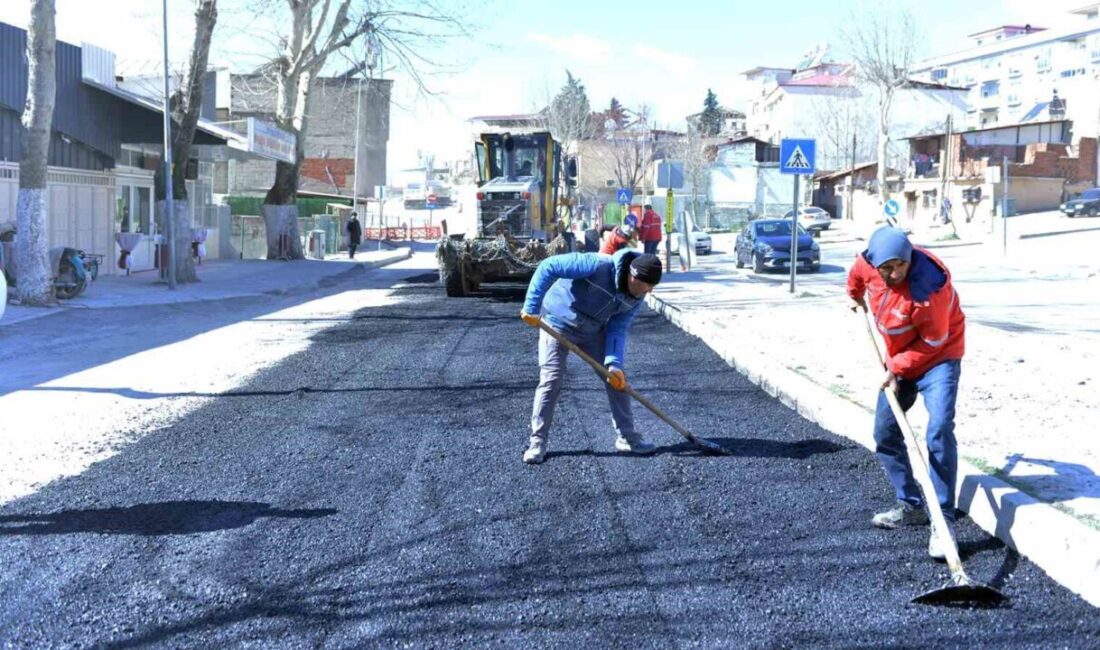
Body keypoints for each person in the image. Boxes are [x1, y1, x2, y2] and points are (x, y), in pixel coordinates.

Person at [847, 226, 966, 561]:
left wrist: (896, 367)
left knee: (939, 429)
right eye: (888, 267)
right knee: (884, 434)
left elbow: (934, 341)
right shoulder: (868, 264)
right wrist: (854, 295)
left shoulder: (930, 288)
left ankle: (943, 520)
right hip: (898, 364)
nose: (896, 272)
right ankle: (911, 505)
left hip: (938, 359)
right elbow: (857, 275)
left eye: (901, 264)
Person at [519, 250, 664, 464]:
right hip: (555, 323)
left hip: (592, 331)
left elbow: (618, 328)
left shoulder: (636, 296)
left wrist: (614, 364)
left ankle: (626, 436)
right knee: (551, 379)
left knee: (617, 380)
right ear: (634, 277)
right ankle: (537, 442)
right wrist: (531, 307)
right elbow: (548, 266)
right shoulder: (595, 265)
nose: (650, 291)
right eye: (648, 285)